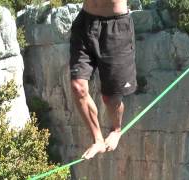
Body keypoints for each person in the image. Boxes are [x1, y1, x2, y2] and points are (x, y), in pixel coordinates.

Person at [69, 0, 136, 160]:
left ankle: (116, 129)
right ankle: (97, 139)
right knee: (78, 87)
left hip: (116, 27)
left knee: (110, 97)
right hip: (85, 22)